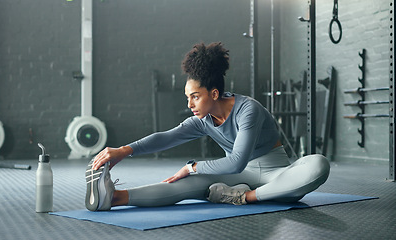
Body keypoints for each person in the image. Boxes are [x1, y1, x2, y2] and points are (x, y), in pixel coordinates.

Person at [85, 42, 330, 211]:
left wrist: (192, 166)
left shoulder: (248, 110)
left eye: (195, 96)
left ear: (214, 93)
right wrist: (123, 150)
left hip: (275, 174)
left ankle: (244, 197)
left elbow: (236, 161)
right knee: (182, 185)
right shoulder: (203, 120)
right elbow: (167, 137)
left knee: (318, 165)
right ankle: (114, 198)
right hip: (235, 177)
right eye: (187, 97)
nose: (190, 103)